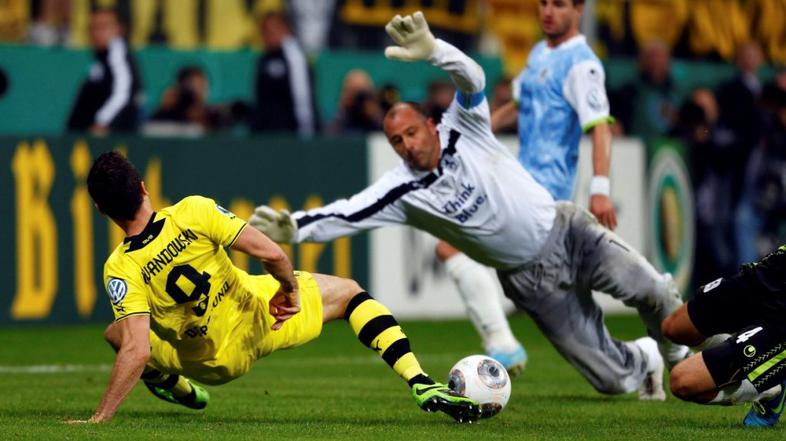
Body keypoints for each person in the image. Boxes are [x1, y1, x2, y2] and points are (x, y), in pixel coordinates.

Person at [250, 11, 689, 401]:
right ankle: (646, 357)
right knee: (612, 381)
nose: (406, 146)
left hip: (570, 233)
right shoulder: (402, 189)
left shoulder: (464, 127)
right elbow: (347, 214)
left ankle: (686, 356)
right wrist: (295, 227)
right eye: (396, 142)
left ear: (428, 123)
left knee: (652, 291)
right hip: (529, 281)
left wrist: (436, 50)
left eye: (411, 133)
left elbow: (474, 79)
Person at [68, 151, 479, 424]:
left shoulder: (120, 268)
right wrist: (290, 291)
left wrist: (100, 417)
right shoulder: (193, 211)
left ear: (102, 210)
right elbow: (274, 256)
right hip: (260, 317)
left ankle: (176, 385)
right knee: (351, 294)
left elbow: (137, 349)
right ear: (143, 187)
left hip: (206, 362)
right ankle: (419, 381)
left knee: (118, 334)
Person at [433, 0, 619, 375]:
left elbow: (599, 126)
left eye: (560, 4)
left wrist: (600, 187)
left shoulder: (583, 64)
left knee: (452, 245)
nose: (548, 11)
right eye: (544, 3)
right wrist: (471, 134)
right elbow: (516, 106)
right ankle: (645, 355)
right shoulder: (538, 53)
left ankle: (503, 344)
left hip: (545, 192)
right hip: (519, 182)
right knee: (555, 307)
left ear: (579, 9)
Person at [662, 246, 786, 427]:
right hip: (771, 272)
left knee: (682, 382)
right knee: (674, 328)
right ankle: (750, 359)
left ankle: (768, 386)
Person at [66, 8, 142, 135]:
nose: (97, 32)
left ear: (119, 29)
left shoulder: (118, 55)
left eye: (103, 26)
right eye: (93, 27)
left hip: (110, 139)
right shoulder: (100, 57)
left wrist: (102, 123)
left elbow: (123, 95)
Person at [249, 11, 317, 136]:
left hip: (291, 135)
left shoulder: (296, 59)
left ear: (286, 29)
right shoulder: (262, 60)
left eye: (274, 29)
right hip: (265, 136)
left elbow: (303, 99)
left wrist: (306, 134)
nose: (270, 35)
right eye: (266, 31)